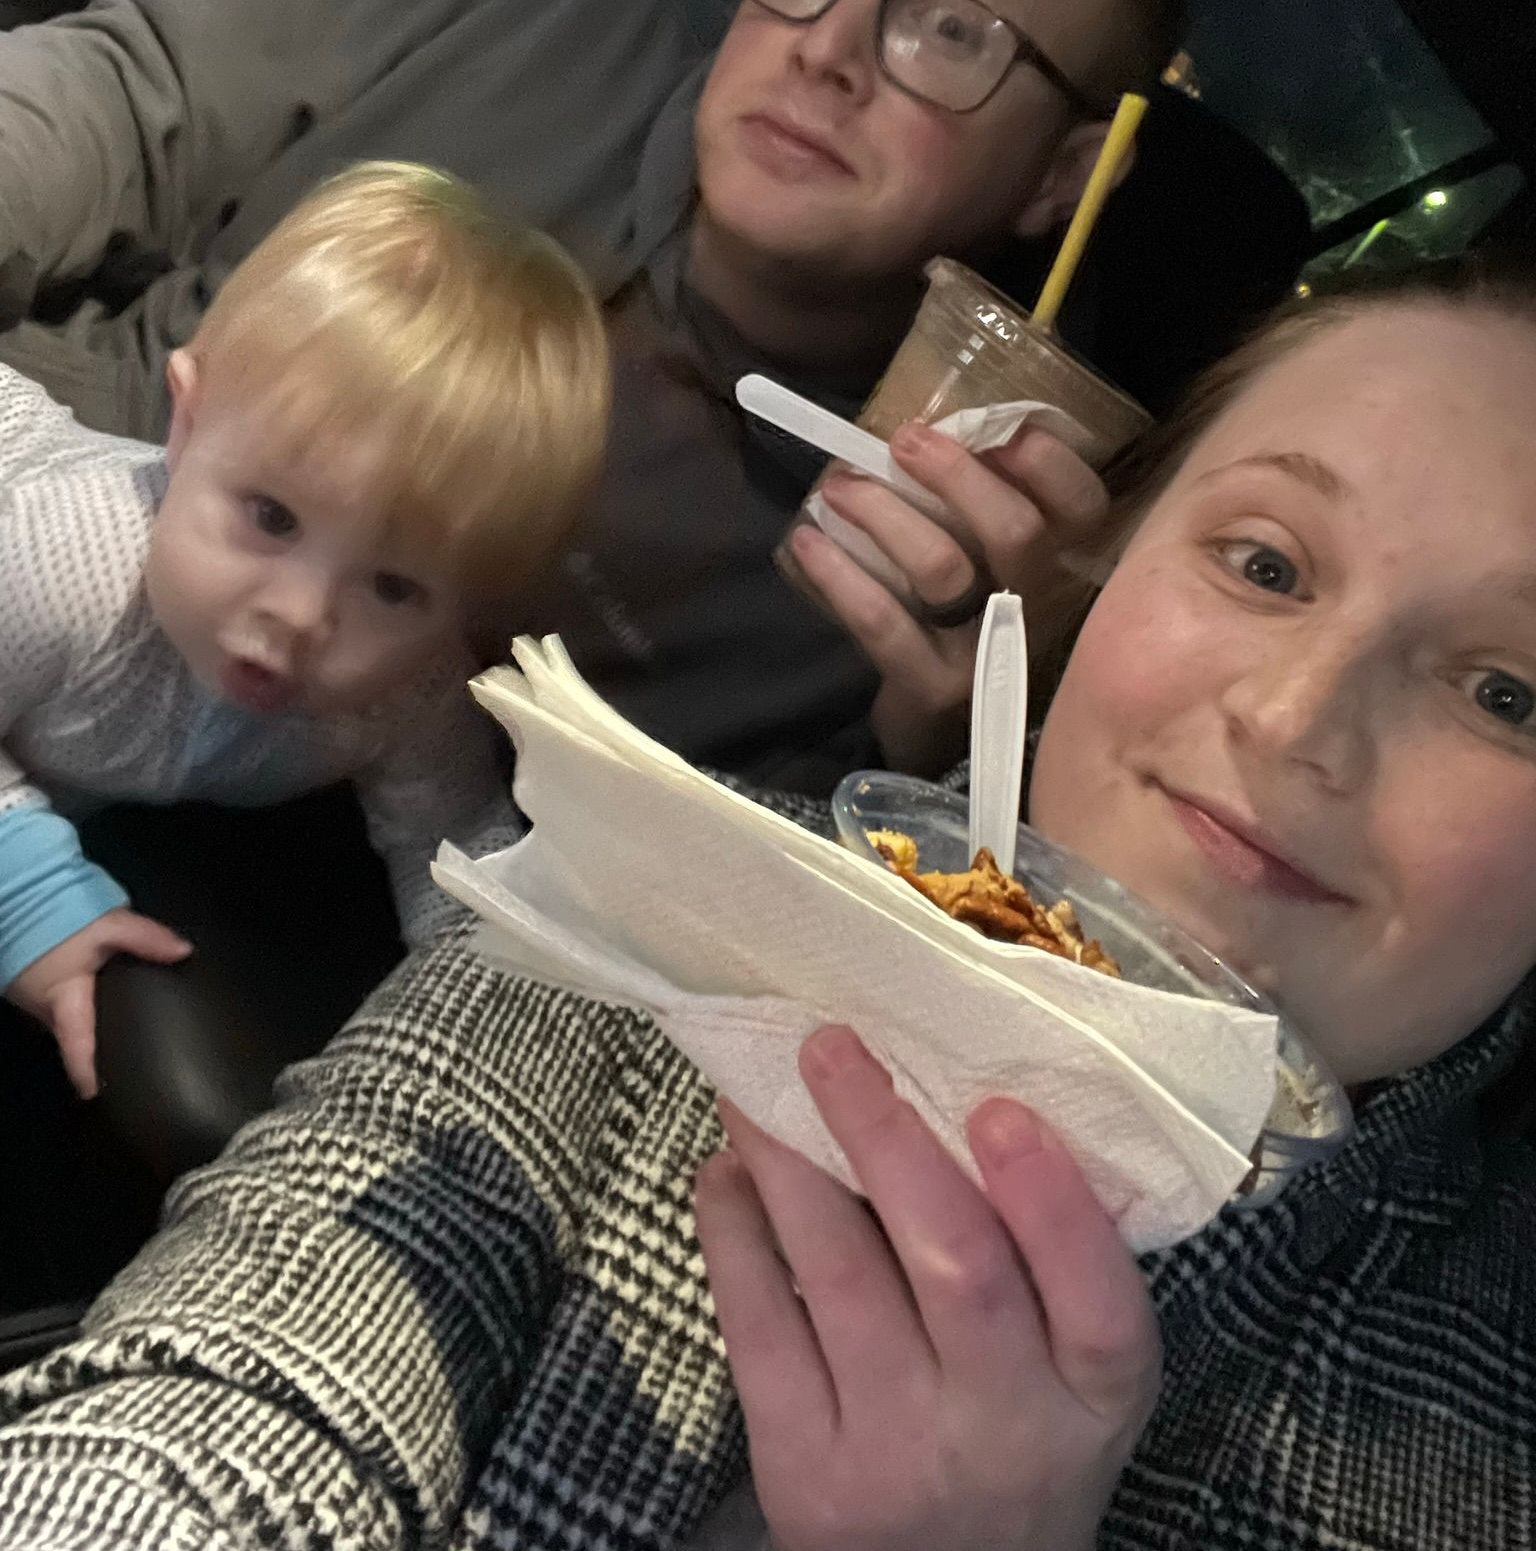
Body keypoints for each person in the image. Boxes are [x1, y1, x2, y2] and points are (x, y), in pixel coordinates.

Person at [2, 257, 1533, 1549]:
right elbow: (224, 1399)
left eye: (1508, 693)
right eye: (1265, 563)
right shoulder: (665, 919)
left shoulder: (1477, 1436)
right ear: (1105, 577)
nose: (1295, 719)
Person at [0, 0, 1182, 786]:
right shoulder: (569, 13)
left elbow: (725, 890)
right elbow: (132, 95)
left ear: (1063, 177)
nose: (827, 46)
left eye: (951, 28)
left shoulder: (971, 544)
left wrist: (933, 750)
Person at [0, 161, 607, 1098]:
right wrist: (29, 896)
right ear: (186, 425)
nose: (303, 616)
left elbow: (453, 851)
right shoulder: (68, 563)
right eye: (273, 518)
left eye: (395, 586)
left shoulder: (409, 689)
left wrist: (494, 1027)